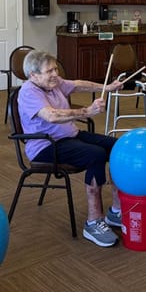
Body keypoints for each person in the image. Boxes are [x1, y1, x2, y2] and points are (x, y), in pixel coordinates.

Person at [19, 50, 124, 247]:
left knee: (117, 146)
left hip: (68, 136)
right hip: (46, 145)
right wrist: (87, 111)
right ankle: (93, 222)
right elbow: (51, 116)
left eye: (55, 69)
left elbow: (77, 84)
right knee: (96, 154)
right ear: (34, 75)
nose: (55, 74)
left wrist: (107, 87)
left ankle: (116, 211)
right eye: (49, 71)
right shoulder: (28, 91)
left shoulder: (53, 82)